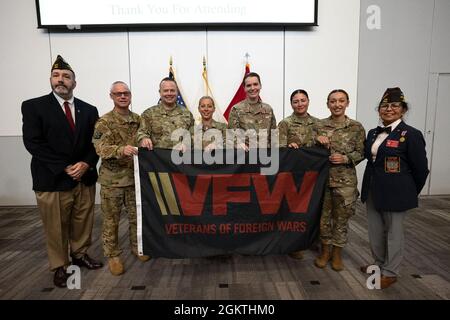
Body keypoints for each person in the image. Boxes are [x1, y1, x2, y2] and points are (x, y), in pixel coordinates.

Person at [21, 55, 103, 288]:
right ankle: (59, 266)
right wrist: (65, 167)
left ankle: (80, 254)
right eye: (56, 76)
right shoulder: (34, 106)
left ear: (74, 83)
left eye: (66, 77)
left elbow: (96, 142)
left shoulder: (89, 110)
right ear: (50, 80)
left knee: (82, 220)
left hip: (83, 177)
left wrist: (87, 164)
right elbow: (34, 143)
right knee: (56, 226)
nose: (61, 80)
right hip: (53, 178)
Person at [360, 87, 429, 289]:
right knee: (375, 231)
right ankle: (379, 264)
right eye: (384, 105)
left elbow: (421, 169)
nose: (389, 109)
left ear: (403, 109)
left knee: (393, 233)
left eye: (395, 105)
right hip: (373, 189)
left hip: (396, 193)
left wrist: (408, 191)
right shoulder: (373, 133)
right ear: (379, 110)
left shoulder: (411, 135)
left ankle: (391, 271)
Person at [92, 81, 150, 276]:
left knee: (137, 217)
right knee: (111, 220)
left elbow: (145, 136)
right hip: (112, 181)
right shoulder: (104, 121)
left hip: (134, 179)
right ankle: (113, 255)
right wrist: (120, 150)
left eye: (126, 93)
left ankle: (136, 247)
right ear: (112, 96)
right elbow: (100, 149)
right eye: (118, 94)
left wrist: (144, 140)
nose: (123, 96)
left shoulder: (138, 119)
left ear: (130, 95)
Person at [314, 89, 365, 271]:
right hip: (322, 182)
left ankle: (337, 254)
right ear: (328, 104)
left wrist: (346, 158)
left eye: (341, 101)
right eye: (333, 101)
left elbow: (362, 152)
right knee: (324, 219)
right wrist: (316, 138)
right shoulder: (319, 125)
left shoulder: (356, 127)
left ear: (347, 103)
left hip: (345, 182)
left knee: (341, 219)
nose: (337, 105)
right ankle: (325, 251)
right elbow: (310, 149)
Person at [278, 89, 320, 259]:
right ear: (291, 104)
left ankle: (313, 241)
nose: (300, 104)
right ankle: (293, 245)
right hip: (292, 175)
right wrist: (288, 146)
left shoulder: (319, 124)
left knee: (313, 208)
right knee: (292, 210)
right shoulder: (285, 123)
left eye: (303, 100)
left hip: (314, 175)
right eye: (296, 101)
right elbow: (279, 148)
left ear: (308, 101)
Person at [137, 77, 194, 150]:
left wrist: (187, 143)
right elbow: (141, 133)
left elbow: (193, 135)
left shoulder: (187, 114)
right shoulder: (148, 114)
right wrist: (143, 139)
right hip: (157, 159)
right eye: (166, 91)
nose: (169, 93)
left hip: (180, 158)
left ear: (177, 92)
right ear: (160, 92)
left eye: (172, 90)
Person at [227, 72, 277, 149]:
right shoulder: (236, 110)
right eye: (248, 85)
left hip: (266, 156)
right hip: (245, 156)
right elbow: (231, 136)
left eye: (255, 84)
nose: (252, 88)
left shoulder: (268, 109)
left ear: (260, 86)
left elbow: (274, 137)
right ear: (244, 88)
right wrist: (238, 144)